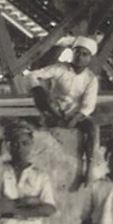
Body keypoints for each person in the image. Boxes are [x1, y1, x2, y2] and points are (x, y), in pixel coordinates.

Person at [28, 35, 100, 190]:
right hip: (55, 111)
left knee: (92, 128)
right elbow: (32, 74)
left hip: (75, 115)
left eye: (84, 54)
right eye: (77, 52)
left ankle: (89, 169)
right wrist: (38, 89)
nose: (80, 57)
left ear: (89, 58)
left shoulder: (91, 79)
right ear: (73, 53)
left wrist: (76, 117)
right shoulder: (60, 68)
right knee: (42, 99)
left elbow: (88, 105)